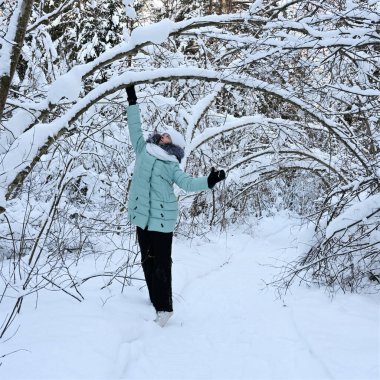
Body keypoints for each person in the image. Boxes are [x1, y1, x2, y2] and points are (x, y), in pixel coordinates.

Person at [125, 85, 225, 327]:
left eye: (167, 136)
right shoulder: (143, 150)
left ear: (173, 145)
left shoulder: (171, 164)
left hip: (162, 219)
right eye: (163, 133)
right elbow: (135, 128)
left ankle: (165, 307)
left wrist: (209, 181)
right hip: (143, 217)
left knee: (162, 263)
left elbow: (188, 183)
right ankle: (154, 300)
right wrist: (132, 101)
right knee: (146, 260)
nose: (162, 135)